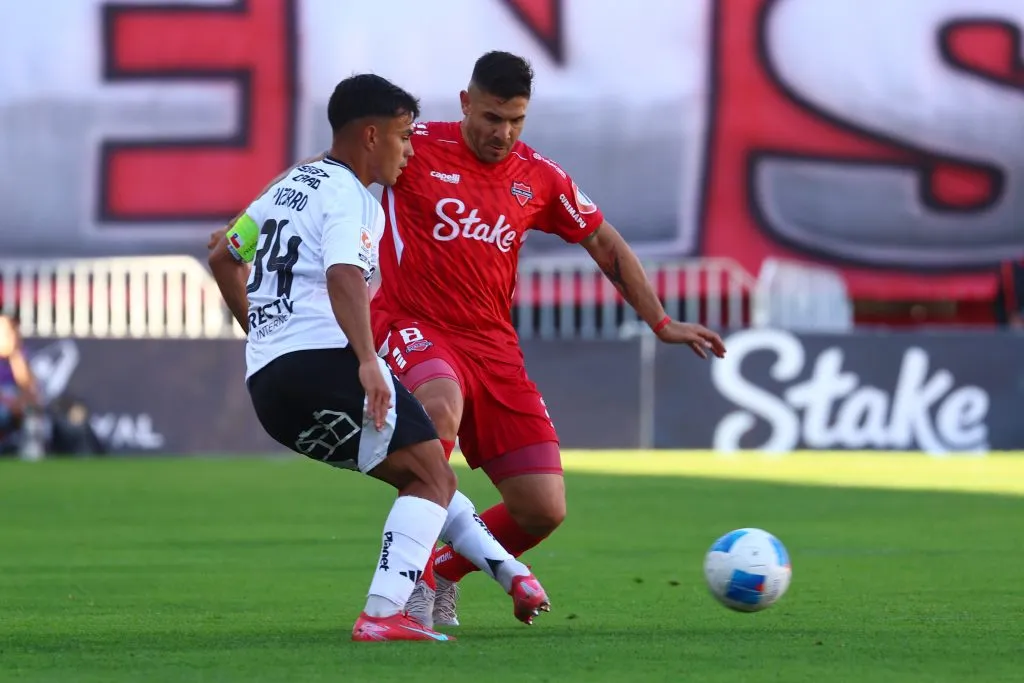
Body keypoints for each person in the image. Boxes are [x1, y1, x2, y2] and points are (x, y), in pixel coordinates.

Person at [370, 51, 728, 629]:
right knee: (438, 412)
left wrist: (660, 321)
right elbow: (333, 169)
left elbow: (605, 243)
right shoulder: (415, 147)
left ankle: (444, 568)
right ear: (465, 103)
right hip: (416, 325)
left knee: (541, 509)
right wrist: (259, 224)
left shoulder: (538, 176)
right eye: (491, 117)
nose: (502, 133)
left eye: (515, 121)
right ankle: (402, 586)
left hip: (494, 347)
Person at [206, 74, 549, 643]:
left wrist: (260, 331)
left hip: (270, 385)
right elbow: (344, 276)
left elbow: (222, 254)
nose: (409, 151)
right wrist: (367, 359)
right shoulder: (353, 199)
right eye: (402, 137)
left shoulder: (291, 185)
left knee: (424, 474)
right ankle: (383, 614)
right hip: (325, 364)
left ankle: (509, 573)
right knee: (431, 475)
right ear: (371, 136)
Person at [0, 314, 42, 454]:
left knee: (31, 411)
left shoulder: (19, 356)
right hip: (4, 404)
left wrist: (14, 356)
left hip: (15, 404)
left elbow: (28, 386)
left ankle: (30, 453)